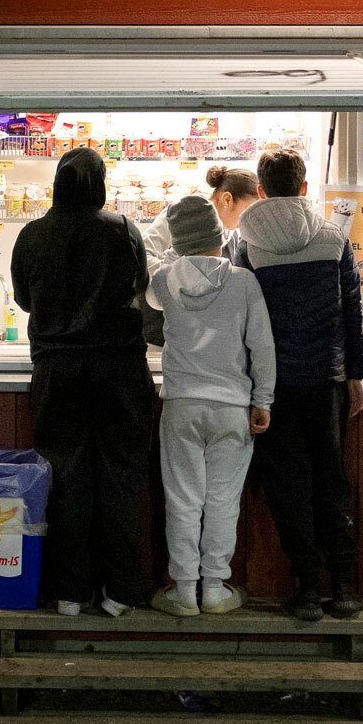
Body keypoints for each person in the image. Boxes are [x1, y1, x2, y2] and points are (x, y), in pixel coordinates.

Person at [12, 147, 155, 617]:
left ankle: (70, 591)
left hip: (57, 371)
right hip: (119, 370)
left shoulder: (32, 235)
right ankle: (121, 590)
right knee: (122, 477)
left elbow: (26, 300)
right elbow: (141, 287)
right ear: (101, 185)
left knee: (65, 476)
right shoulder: (124, 230)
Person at [233, 149, 363, 622]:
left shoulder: (244, 246)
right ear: (305, 187)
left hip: (271, 387)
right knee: (331, 480)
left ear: (263, 190)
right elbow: (352, 312)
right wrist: (356, 375)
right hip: (326, 380)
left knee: (288, 485)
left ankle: (308, 589)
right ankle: (346, 589)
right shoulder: (333, 238)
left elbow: (242, 323)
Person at [145, 235, 275, 617]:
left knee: (183, 499)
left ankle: (184, 591)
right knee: (222, 499)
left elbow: (150, 294)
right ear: (219, 239)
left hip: (182, 403)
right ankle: (215, 589)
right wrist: (262, 399)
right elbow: (262, 345)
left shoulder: (165, 279)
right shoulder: (243, 281)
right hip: (232, 405)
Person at [142, 166, 262, 345]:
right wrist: (177, 280)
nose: (250, 218)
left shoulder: (232, 234)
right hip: (167, 329)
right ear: (227, 199)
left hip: (203, 336)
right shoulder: (182, 215)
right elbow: (144, 254)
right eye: (248, 210)